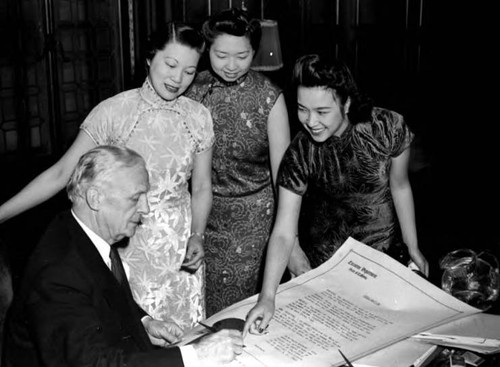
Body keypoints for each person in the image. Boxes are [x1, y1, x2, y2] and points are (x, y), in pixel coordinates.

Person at [0, 22, 213, 328]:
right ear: (150, 57)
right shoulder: (114, 112)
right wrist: (2, 213)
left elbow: (203, 186)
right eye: (170, 64)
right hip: (126, 241)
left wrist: (197, 235)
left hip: (180, 251)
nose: (178, 79)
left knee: (183, 341)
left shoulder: (198, 117)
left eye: (190, 71)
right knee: (129, 337)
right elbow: (61, 172)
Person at [2, 146, 243, 367]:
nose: (146, 208)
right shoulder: (58, 272)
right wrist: (197, 355)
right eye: (135, 198)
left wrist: (144, 323)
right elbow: (91, 363)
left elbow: (101, 298)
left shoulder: (83, 231)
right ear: (95, 198)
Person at [244, 54, 429, 334]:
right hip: (327, 267)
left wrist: (412, 244)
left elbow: (400, 185)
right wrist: (267, 297)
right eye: (302, 109)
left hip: (386, 259)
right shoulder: (300, 152)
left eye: (322, 111)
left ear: (347, 103)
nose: (310, 121)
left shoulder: (387, 128)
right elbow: (283, 232)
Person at [184, 7, 291, 316]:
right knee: (195, 301)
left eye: (242, 56)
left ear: (254, 51)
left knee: (236, 309)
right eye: (221, 55)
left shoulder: (270, 97)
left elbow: (282, 176)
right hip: (199, 212)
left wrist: (288, 235)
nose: (231, 66)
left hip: (252, 220)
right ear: (207, 51)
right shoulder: (192, 90)